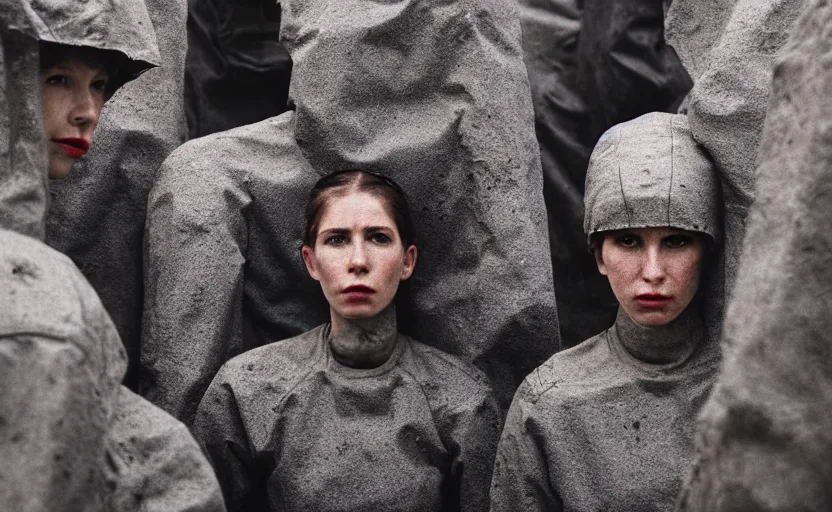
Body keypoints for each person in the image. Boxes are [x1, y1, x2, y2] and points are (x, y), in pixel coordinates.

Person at [194, 170, 502, 511]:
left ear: (407, 261)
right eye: (337, 239)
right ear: (311, 262)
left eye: (378, 238)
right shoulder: (247, 389)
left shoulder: (462, 400)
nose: (358, 262)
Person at [490, 112, 722, 511]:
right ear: (598, 254)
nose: (652, 272)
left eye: (676, 241)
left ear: (708, 251)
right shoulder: (549, 404)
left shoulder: (752, 390)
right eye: (629, 241)